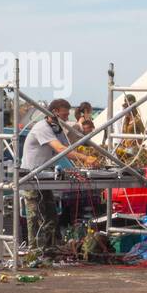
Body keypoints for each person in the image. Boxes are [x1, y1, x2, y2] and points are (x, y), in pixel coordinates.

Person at [18, 98, 85, 254]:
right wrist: (84, 158)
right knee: (35, 216)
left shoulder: (56, 129)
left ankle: (49, 248)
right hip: (31, 176)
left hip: (43, 177)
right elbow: (60, 148)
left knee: (51, 215)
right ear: (55, 112)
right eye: (65, 114)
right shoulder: (42, 127)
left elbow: (68, 146)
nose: (68, 117)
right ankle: (34, 251)